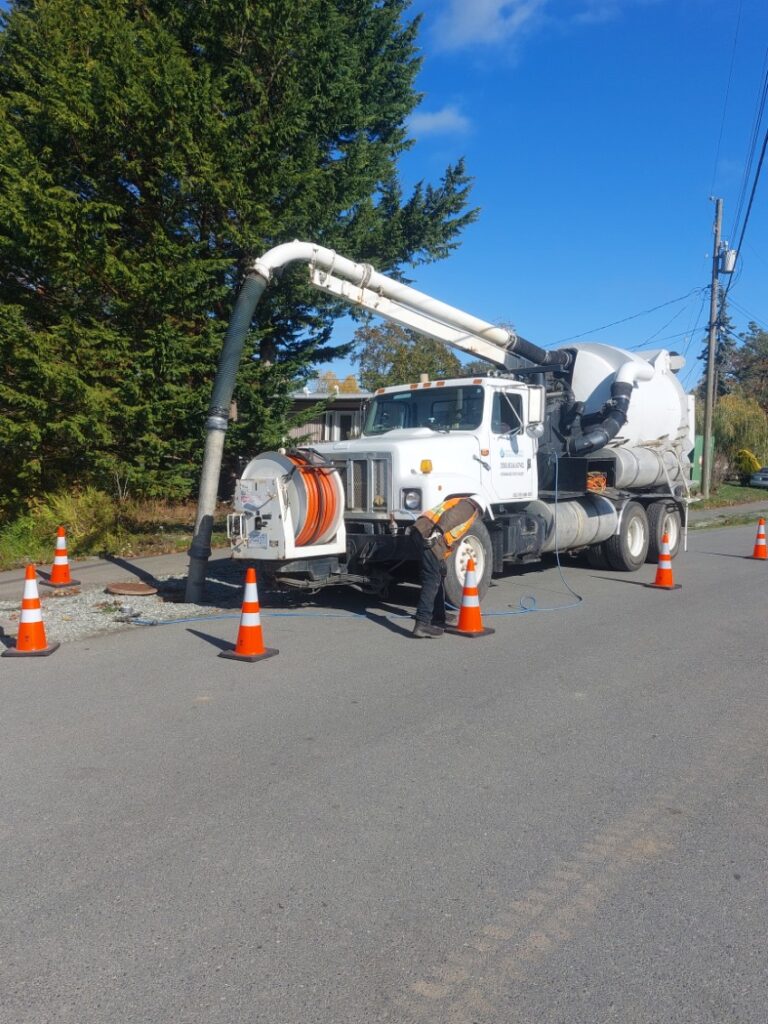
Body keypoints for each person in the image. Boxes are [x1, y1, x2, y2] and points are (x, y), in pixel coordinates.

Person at [410, 496, 482, 638]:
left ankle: (438, 616)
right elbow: (451, 517)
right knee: (432, 579)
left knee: (438, 574)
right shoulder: (469, 506)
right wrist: (437, 533)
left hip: (422, 531)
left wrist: (442, 558)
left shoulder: (459, 501)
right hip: (430, 535)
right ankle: (422, 623)